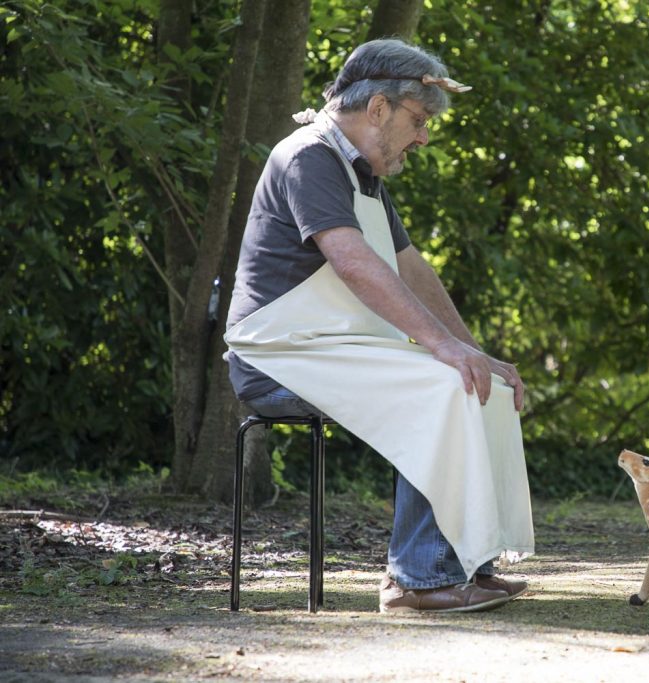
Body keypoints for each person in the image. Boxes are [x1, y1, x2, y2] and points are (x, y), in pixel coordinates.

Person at [224, 38, 534, 614]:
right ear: (378, 109)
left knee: (481, 385)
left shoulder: (362, 173)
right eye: (418, 121)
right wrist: (443, 350)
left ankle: (466, 565)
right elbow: (352, 260)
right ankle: (416, 580)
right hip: (275, 355)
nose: (423, 137)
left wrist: (472, 350)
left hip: (330, 348)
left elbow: (411, 270)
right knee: (445, 385)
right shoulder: (308, 156)